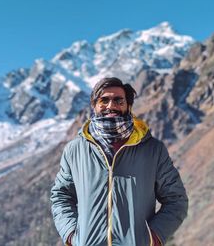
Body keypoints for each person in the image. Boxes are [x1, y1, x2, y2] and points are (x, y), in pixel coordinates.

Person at [51, 77, 188, 246]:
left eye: (118, 100)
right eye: (104, 100)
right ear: (94, 105)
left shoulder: (152, 149)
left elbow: (176, 199)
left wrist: (153, 238)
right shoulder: (75, 150)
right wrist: (72, 235)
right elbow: (61, 196)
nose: (111, 105)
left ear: (128, 105)